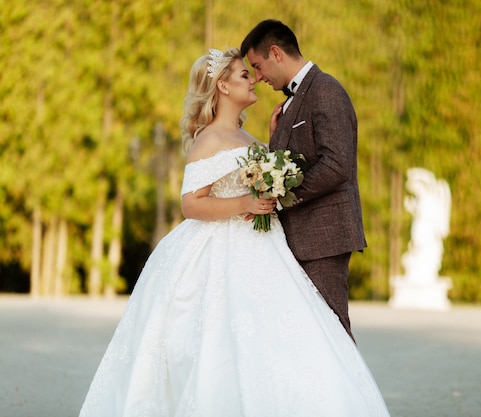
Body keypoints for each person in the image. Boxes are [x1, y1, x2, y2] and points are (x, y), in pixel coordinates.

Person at [78, 48, 390, 417]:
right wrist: (244, 204)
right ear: (223, 86)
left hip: (265, 247)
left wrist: (272, 142)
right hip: (218, 251)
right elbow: (191, 204)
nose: (253, 79)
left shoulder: (248, 137)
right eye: (245, 75)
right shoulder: (208, 140)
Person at [240, 20, 366, 340]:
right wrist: (273, 141)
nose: (257, 77)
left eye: (257, 66)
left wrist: (281, 197)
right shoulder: (288, 103)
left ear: (275, 53)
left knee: (331, 331)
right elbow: (293, 160)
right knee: (311, 336)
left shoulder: (325, 90)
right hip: (301, 237)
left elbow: (337, 165)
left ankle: (352, 392)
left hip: (323, 236)